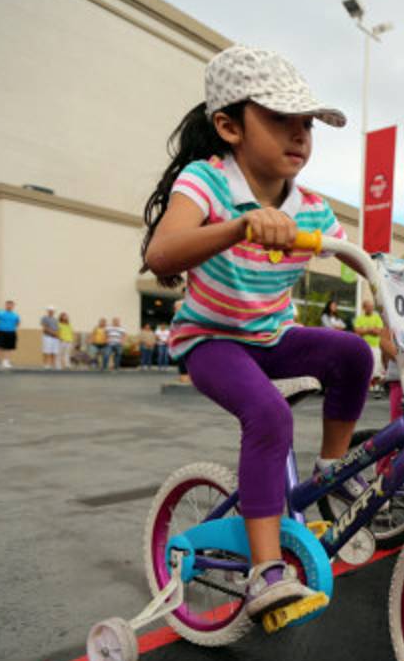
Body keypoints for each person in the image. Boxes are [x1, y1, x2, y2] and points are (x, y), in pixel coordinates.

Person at [139, 45, 373, 621]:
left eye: (307, 125)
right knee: (269, 416)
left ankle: (330, 473)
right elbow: (160, 251)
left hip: (271, 337)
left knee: (353, 353)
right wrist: (240, 225)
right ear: (229, 126)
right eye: (279, 120)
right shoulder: (207, 181)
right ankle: (265, 574)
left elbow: (364, 263)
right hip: (211, 341)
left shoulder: (312, 209)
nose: (299, 136)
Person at [352, 299, 384, 392]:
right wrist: (371, 329)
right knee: (364, 366)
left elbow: (378, 332)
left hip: (375, 346)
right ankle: (365, 385)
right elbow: (357, 331)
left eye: (372, 307)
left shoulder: (377, 317)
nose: (371, 309)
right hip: (363, 346)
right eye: (368, 307)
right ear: (364, 308)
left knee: (376, 367)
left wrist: (365, 330)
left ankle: (376, 386)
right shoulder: (359, 318)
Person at [0, 299, 20, 370]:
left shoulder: (15, 315)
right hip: (1, 332)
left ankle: (6, 362)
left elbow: (17, 323)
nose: (9, 306)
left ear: (13, 306)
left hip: (11, 333)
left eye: (11, 305)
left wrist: (13, 328)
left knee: (8, 348)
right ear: (5, 305)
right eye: (8, 304)